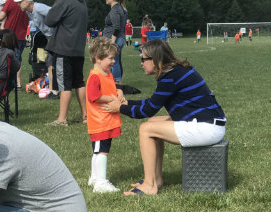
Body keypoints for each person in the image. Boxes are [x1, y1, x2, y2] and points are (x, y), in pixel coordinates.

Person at [102, 39, 226, 196]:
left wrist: (119, 108)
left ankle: (149, 185)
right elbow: (152, 103)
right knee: (153, 123)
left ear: (154, 60)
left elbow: (147, 110)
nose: (141, 63)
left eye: (143, 59)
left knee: (146, 129)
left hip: (207, 128)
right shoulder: (174, 71)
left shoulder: (170, 76)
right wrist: (127, 103)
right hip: (209, 123)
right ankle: (156, 179)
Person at [85, 37, 125, 193]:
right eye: (110, 58)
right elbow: (93, 96)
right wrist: (112, 98)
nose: (114, 61)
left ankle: (94, 178)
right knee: (102, 151)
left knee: (98, 150)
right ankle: (101, 183)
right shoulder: (95, 76)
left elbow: (112, 87)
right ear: (98, 59)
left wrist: (119, 91)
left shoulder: (106, 74)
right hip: (100, 122)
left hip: (106, 121)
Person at [44, 0, 88, 126]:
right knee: (79, 82)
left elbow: (49, 20)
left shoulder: (64, 1)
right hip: (78, 49)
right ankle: (85, 115)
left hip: (64, 48)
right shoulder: (82, 3)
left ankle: (62, 119)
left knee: (64, 84)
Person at [18, 0, 57, 98]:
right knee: (51, 63)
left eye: (20, 2)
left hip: (56, 37)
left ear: (27, 2)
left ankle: (54, 91)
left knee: (51, 63)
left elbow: (55, 13)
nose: (18, 5)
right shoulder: (28, 12)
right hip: (49, 38)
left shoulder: (39, 8)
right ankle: (53, 89)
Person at [0, 0, 29, 89]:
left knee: (8, 60)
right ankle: (18, 83)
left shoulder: (10, 2)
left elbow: (0, 16)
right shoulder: (26, 3)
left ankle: (10, 83)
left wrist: (0, 7)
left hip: (10, 36)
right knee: (17, 60)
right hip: (22, 36)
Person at [102, 0, 126, 84]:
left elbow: (116, 28)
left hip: (116, 40)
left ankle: (116, 83)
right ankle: (116, 82)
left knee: (113, 62)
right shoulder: (117, 8)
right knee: (115, 62)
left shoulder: (115, 10)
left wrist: (112, 43)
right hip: (118, 39)